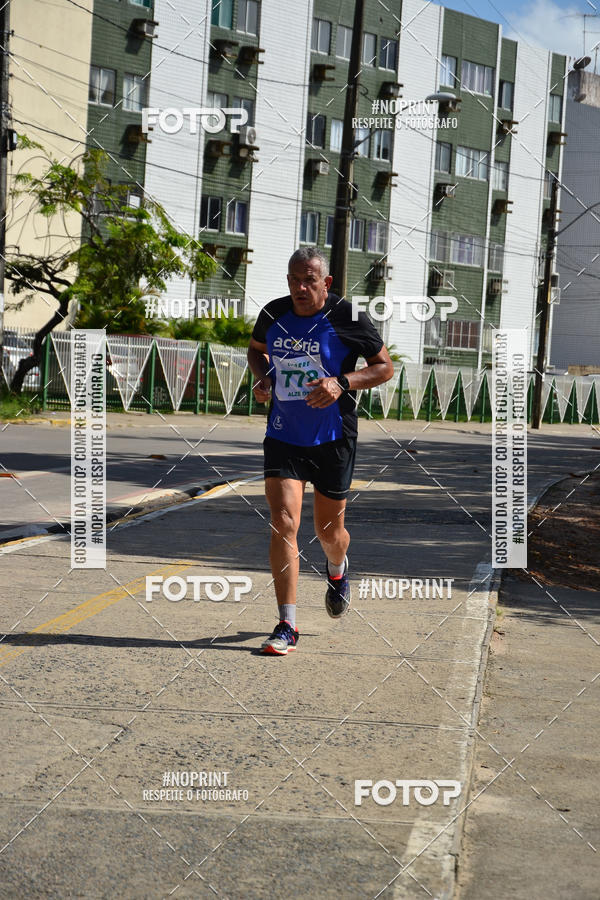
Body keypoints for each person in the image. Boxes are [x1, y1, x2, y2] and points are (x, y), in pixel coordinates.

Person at [247, 247, 394, 655]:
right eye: (294, 279)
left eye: (309, 280)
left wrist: (341, 383)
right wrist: (264, 381)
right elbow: (256, 350)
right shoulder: (274, 313)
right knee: (283, 522)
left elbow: (384, 367)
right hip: (283, 434)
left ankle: (336, 569)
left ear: (326, 283)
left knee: (329, 533)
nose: (299, 287)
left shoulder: (347, 317)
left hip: (332, 436)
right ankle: (286, 623)